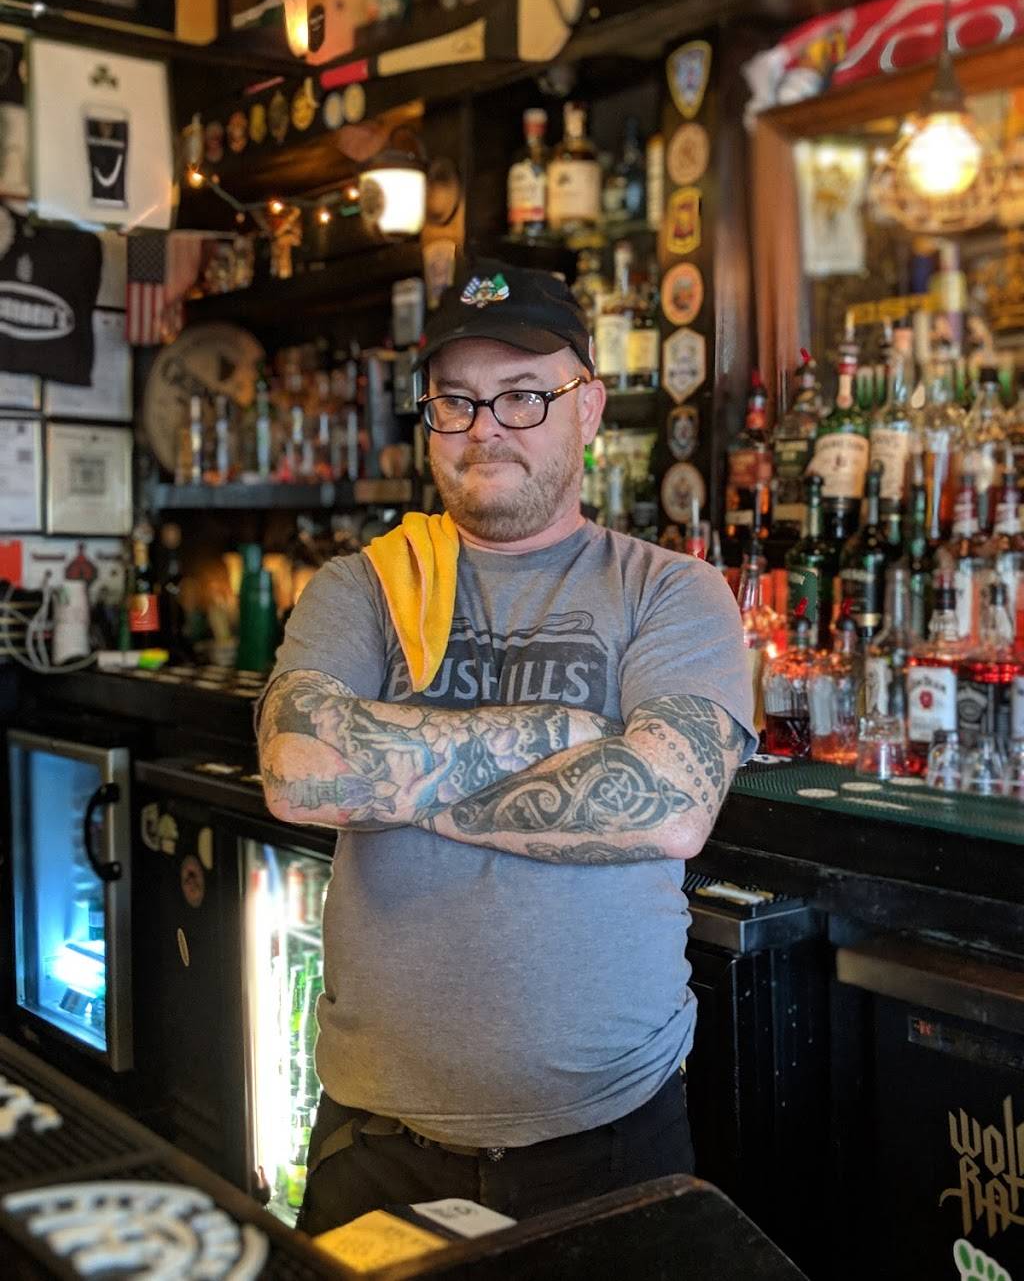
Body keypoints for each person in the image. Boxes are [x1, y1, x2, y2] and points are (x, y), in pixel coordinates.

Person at [256, 260, 756, 1235]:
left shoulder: (670, 591)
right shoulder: (362, 586)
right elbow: (296, 770)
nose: (486, 427)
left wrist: (396, 772)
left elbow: (667, 803)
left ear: (588, 407)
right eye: (457, 400)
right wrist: (569, 738)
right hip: (376, 1144)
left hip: (609, 1139)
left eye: (524, 395)